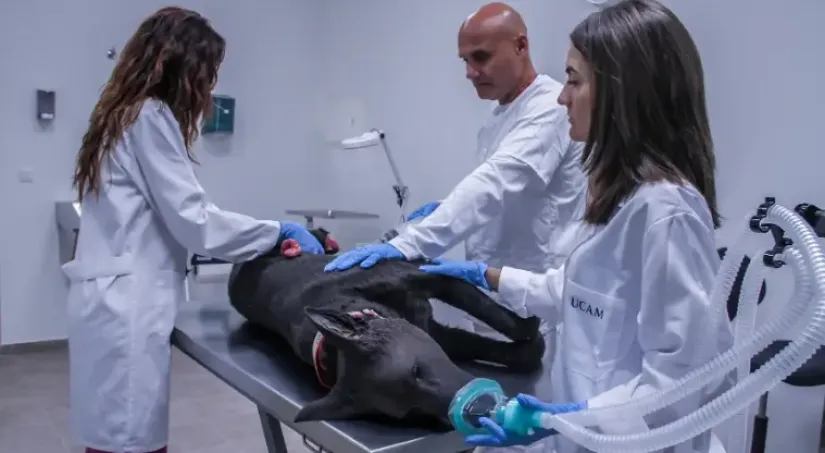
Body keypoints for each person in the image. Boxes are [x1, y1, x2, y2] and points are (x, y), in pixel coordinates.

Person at [416, 1, 736, 452]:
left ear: (623, 93)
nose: (562, 97)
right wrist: (482, 275)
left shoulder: (666, 213)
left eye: (573, 80)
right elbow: (577, 295)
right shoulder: (618, 199)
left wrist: (564, 419)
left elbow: (685, 385)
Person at [63, 7, 324, 453]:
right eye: (209, 71)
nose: (211, 85)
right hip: (127, 307)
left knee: (111, 436)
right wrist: (277, 232)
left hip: (106, 302)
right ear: (182, 66)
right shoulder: (149, 116)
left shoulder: (117, 115)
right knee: (128, 440)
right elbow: (195, 222)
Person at [324, 3, 587, 336]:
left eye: (481, 57)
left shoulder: (549, 107)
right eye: (465, 61)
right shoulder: (500, 116)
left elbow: (494, 184)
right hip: (495, 302)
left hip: (534, 307)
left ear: (521, 46)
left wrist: (409, 245)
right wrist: (441, 211)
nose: (470, 72)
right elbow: (501, 191)